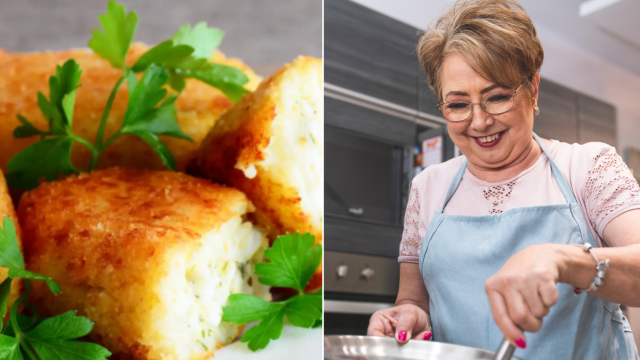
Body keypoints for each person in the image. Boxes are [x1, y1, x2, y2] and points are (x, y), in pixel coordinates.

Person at [366, 1, 640, 359]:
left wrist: (563, 259)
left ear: (533, 90)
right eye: (458, 104)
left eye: (496, 97)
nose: (479, 122)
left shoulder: (588, 166)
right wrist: (409, 316)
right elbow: (414, 300)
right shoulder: (427, 186)